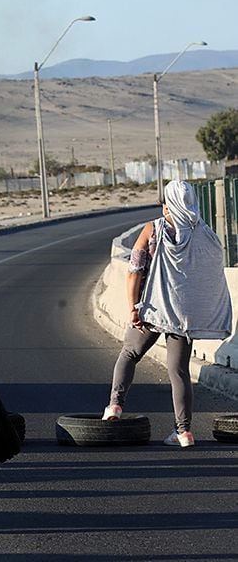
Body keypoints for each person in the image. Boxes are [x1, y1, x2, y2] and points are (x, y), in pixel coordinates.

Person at [102, 180, 232, 448]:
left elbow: (134, 271)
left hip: (154, 308)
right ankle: (184, 432)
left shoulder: (153, 229)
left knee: (129, 353)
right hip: (184, 315)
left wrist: (132, 308)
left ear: (168, 205)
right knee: (179, 371)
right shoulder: (206, 234)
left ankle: (115, 405)